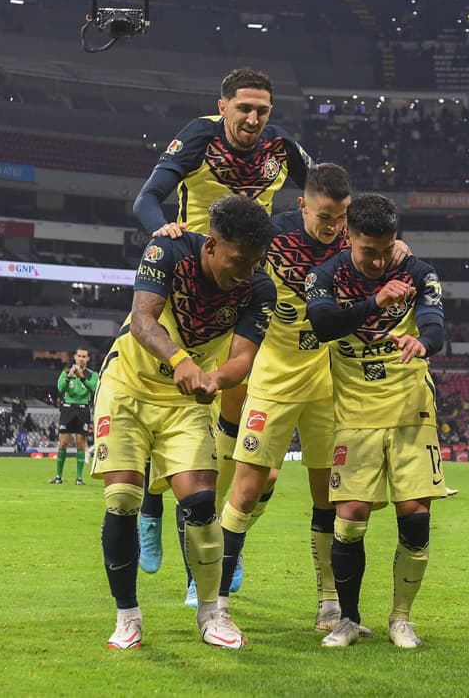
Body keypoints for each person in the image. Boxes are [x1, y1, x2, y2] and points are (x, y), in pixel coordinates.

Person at [132, 67, 311, 589]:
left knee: (237, 421)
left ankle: (224, 543)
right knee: (178, 411)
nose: (253, 119)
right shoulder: (198, 137)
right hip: (188, 283)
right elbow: (146, 199)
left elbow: (321, 188)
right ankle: (150, 504)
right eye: (244, 109)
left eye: (263, 111)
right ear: (223, 106)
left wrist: (366, 233)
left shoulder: (282, 148)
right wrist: (159, 230)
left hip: (251, 289)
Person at [91, 195, 276, 651]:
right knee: (122, 499)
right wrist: (180, 359)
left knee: (199, 507)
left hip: (187, 401)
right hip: (128, 388)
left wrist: (215, 377)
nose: (246, 272)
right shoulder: (168, 252)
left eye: (254, 262)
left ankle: (211, 613)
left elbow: (244, 358)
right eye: (238, 260)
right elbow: (142, 320)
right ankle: (127, 617)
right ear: (211, 245)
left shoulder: (259, 289)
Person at [304, 194, 447, 649]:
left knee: (416, 516)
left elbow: (435, 323)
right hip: (354, 416)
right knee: (348, 519)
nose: (379, 260)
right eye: (369, 251)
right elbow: (323, 325)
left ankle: (401, 618)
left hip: (411, 410)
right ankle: (347, 619)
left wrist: (424, 342)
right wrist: (375, 300)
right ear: (349, 238)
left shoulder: (418, 272)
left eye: (386, 250)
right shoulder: (325, 275)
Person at [216, 163, 353, 635]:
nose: (332, 226)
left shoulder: (352, 246)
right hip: (272, 378)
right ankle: (215, 601)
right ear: (302, 206)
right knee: (247, 489)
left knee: (327, 497)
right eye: (323, 216)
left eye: (339, 216)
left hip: (326, 384)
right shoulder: (271, 241)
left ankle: (329, 602)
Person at [49, 348, 99, 485]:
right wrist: (69, 376)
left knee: (80, 443)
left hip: (83, 409)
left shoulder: (92, 374)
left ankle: (79, 478)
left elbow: (94, 388)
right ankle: (58, 477)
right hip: (68, 409)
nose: (81, 358)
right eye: (79, 356)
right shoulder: (66, 372)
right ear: (75, 357)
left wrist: (81, 377)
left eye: (84, 356)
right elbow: (60, 388)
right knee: (63, 442)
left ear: (88, 359)